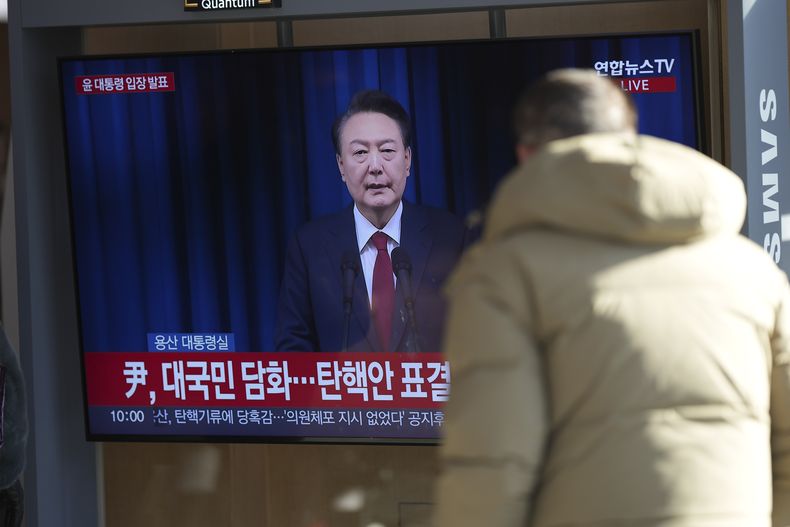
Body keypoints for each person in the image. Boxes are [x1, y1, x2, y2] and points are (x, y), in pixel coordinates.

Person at [433, 69, 790, 526]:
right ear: (628, 139)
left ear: (527, 155)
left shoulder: (503, 273)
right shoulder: (753, 268)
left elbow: (491, 466)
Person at [275, 90, 466, 352]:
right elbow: (293, 349)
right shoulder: (309, 246)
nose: (375, 166)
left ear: (407, 160)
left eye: (387, 150)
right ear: (341, 166)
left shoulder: (450, 236)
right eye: (361, 153)